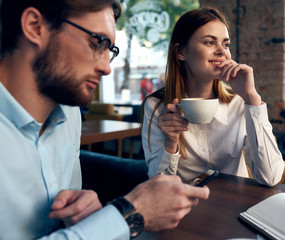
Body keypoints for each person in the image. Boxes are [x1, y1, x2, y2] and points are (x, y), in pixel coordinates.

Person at [0, 0, 209, 239]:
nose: (106, 67)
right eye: (97, 42)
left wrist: (82, 213)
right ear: (34, 26)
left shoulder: (69, 115)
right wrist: (127, 215)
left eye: (110, 50)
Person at [141, 7, 285, 186]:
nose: (222, 52)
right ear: (181, 52)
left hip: (235, 205)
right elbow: (159, 186)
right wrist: (171, 143)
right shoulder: (156, 106)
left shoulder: (240, 101)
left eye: (225, 44)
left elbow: (270, 177)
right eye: (210, 42)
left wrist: (251, 97)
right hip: (187, 208)